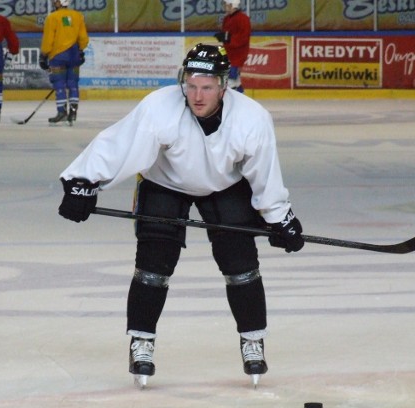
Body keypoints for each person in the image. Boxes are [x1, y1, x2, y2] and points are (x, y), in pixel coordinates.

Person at [57, 44, 304, 388]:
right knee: (153, 261)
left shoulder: (252, 118)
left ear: (223, 86)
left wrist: (280, 217)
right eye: (191, 85)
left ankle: (252, 339)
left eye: (207, 86)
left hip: (225, 185)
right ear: (182, 82)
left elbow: (264, 173)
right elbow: (119, 145)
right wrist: (83, 182)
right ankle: (141, 340)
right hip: (165, 182)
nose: (197, 95)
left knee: (240, 261)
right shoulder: (160, 107)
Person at [40, 0, 89, 125]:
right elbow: (83, 38)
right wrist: (80, 50)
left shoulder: (52, 17)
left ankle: (62, 112)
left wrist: (44, 54)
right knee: (73, 84)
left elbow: (48, 39)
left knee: (59, 84)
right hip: (74, 55)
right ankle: (73, 112)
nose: (53, 2)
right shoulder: (78, 16)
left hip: (58, 56)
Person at [214, 0, 251, 93]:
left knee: (230, 80)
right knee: (236, 81)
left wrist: (228, 38)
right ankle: (242, 98)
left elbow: (244, 38)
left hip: (238, 55)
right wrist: (223, 37)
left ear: (232, 5)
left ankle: (233, 101)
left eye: (226, 4)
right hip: (229, 54)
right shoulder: (227, 19)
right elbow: (227, 35)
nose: (224, 6)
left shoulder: (243, 19)